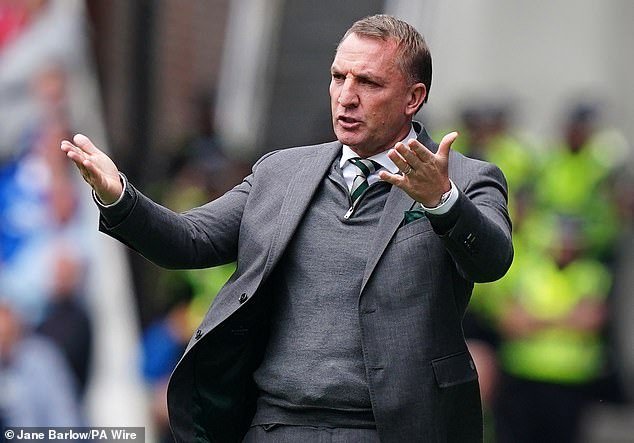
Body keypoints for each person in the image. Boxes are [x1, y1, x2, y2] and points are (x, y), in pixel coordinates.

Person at [61, 14, 513, 443]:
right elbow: (189, 241)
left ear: (413, 98)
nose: (346, 96)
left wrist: (441, 201)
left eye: (368, 83)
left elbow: (492, 261)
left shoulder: (465, 179)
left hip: (393, 429)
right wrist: (119, 195)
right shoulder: (281, 172)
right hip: (276, 425)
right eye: (338, 77)